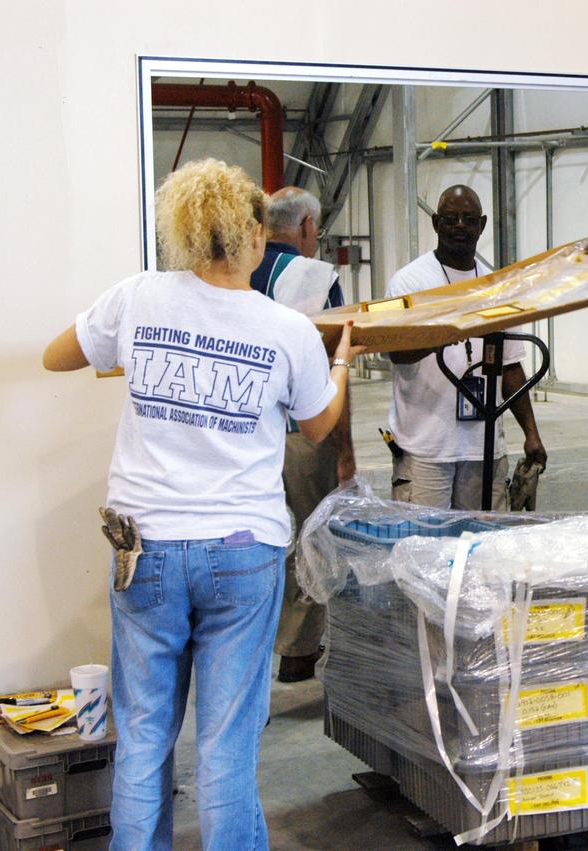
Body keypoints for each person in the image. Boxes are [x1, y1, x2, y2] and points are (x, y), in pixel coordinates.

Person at [41, 158, 363, 849]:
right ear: (250, 232)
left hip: (145, 551)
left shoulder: (137, 297)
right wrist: (342, 361)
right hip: (240, 554)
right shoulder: (286, 329)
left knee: (145, 735)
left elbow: (57, 356)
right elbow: (316, 424)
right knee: (224, 746)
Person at [384, 184, 546, 510]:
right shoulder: (410, 283)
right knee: (424, 545)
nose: (460, 226)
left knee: (483, 544)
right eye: (451, 218)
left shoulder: (497, 288)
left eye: (469, 220)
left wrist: (531, 432)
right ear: (436, 224)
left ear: (482, 225)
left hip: (483, 447)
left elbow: (510, 365)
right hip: (426, 447)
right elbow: (396, 353)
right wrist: (440, 335)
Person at [250, 186, 355, 683]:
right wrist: (345, 447)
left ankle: (251, 646)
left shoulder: (233, 270)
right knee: (314, 537)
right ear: (308, 226)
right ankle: (297, 651)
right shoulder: (316, 277)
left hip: (244, 435)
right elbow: (336, 362)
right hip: (301, 432)